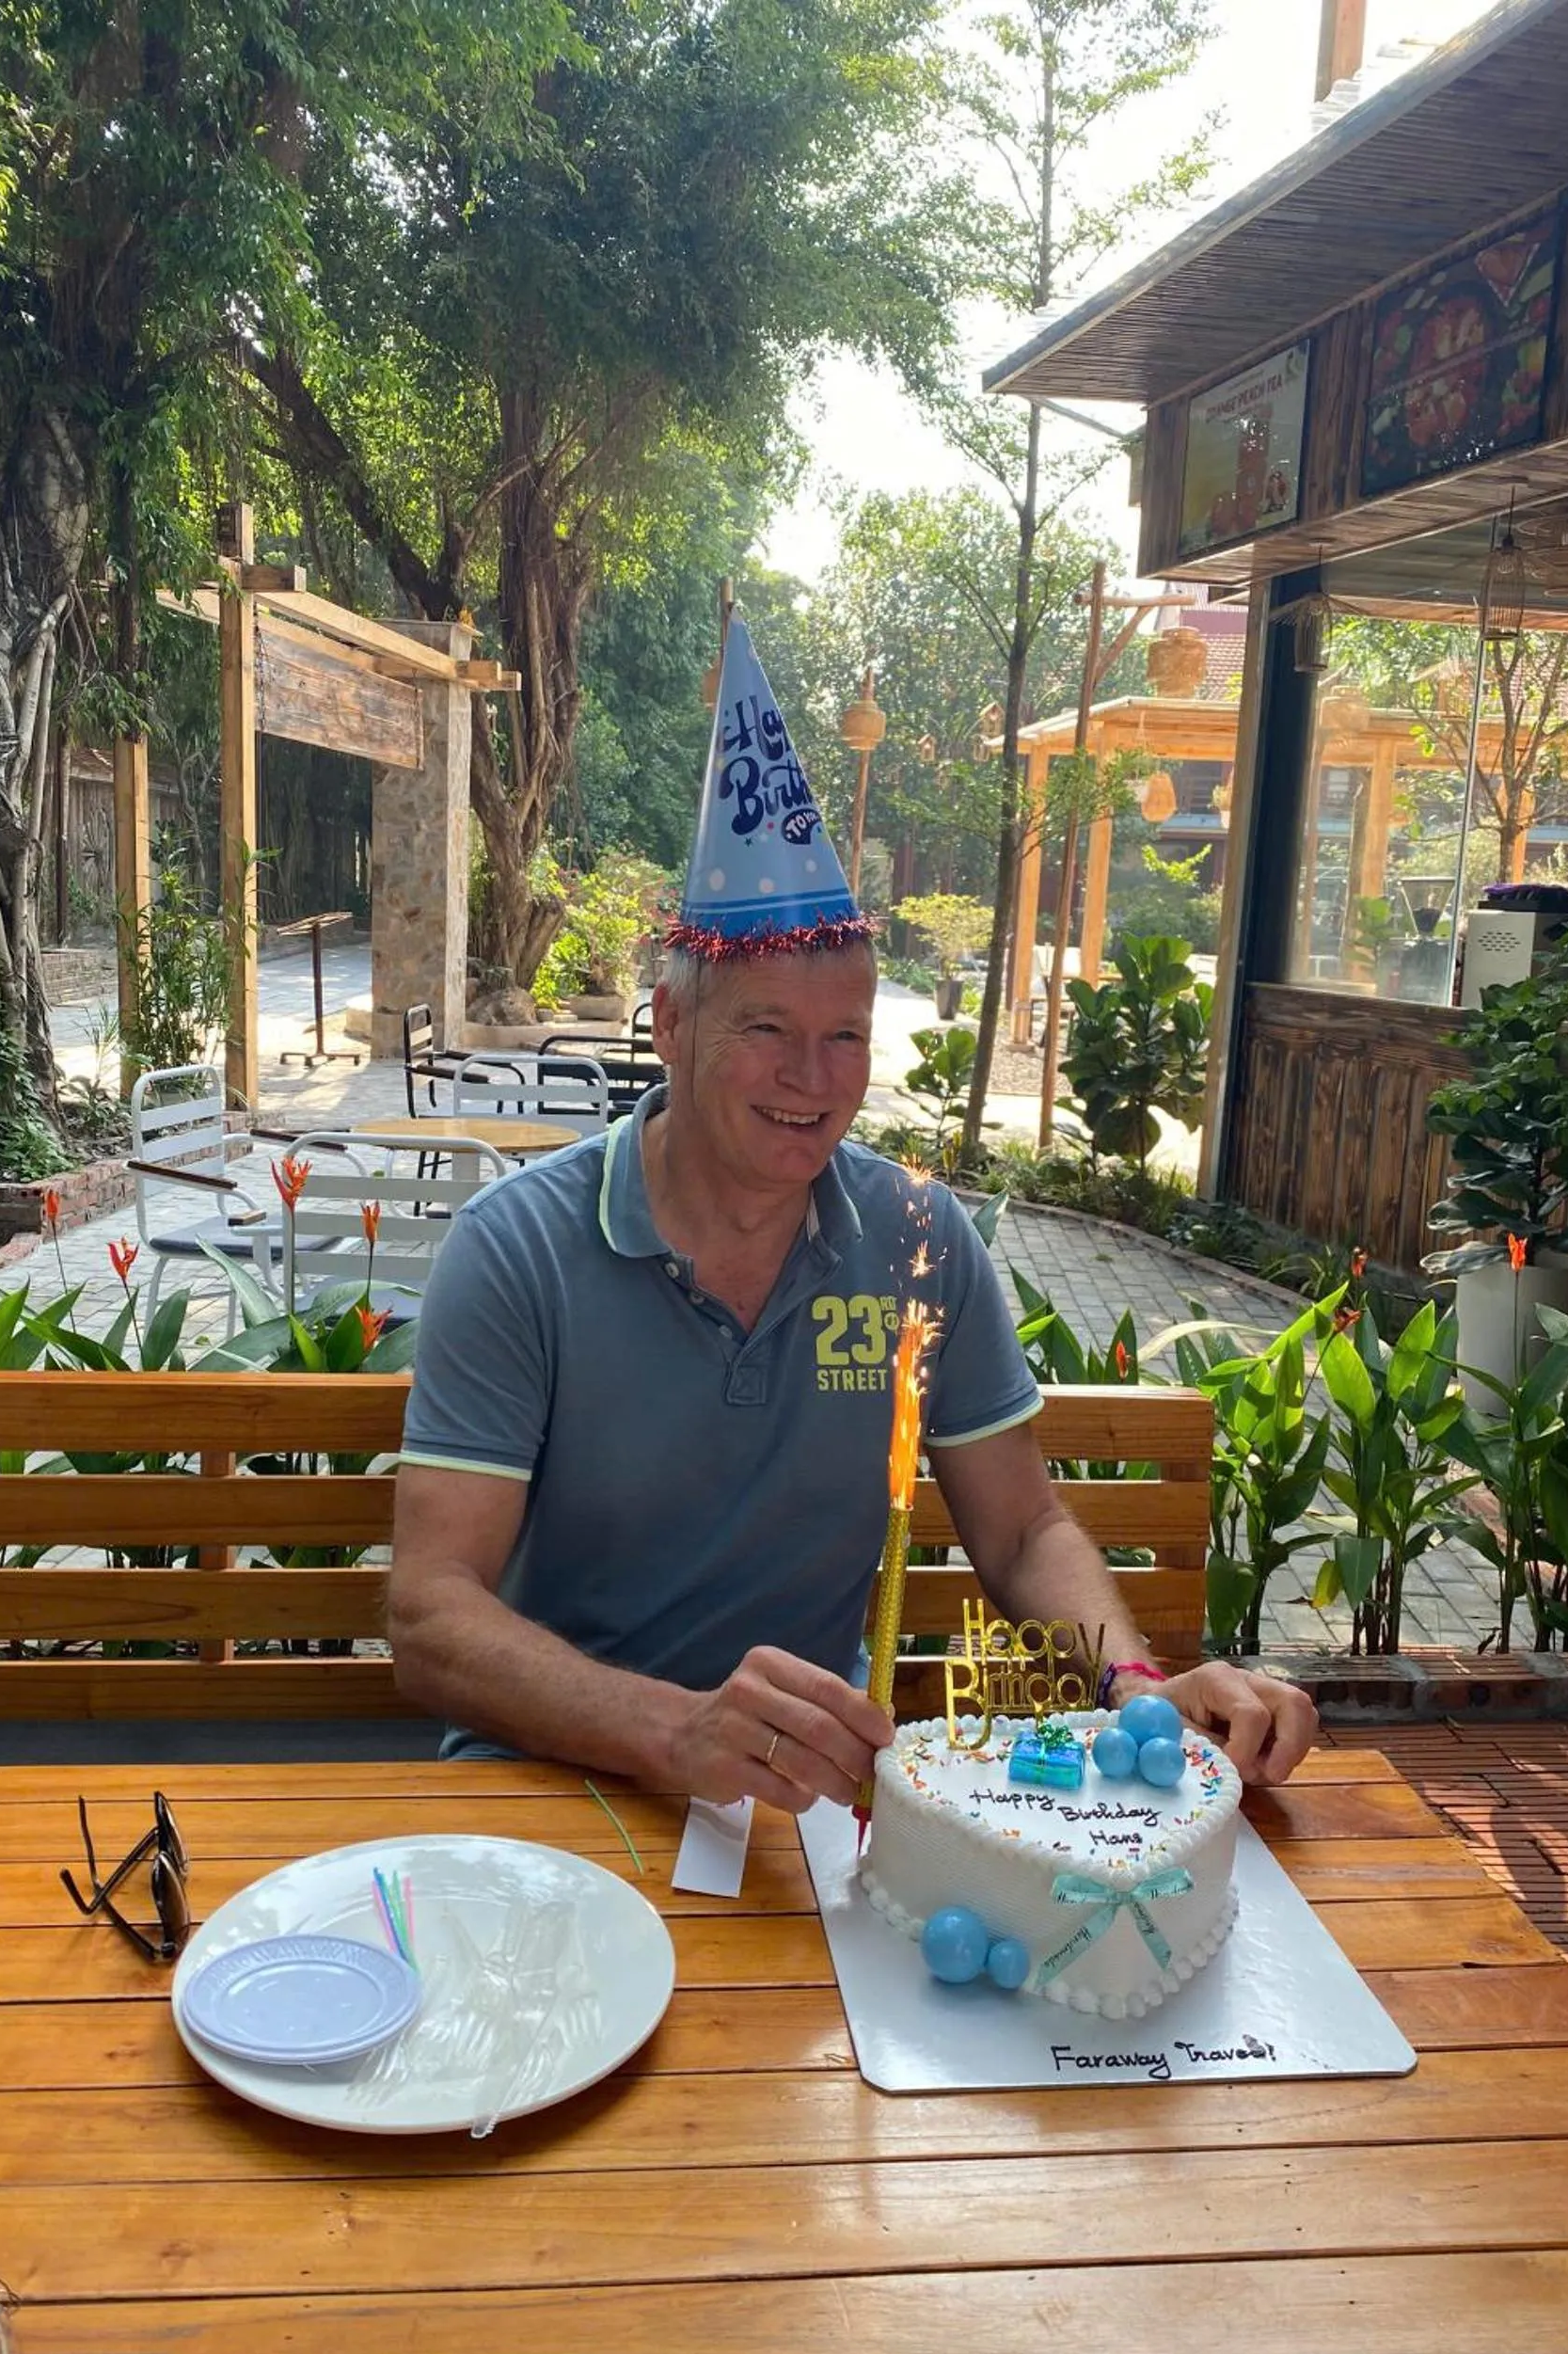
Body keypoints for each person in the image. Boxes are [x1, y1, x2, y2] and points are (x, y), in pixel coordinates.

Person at [387, 616, 1319, 1808]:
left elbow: (1026, 1529)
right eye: (766, 1030)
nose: (812, 1080)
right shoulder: (519, 1249)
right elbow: (430, 1613)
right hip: (541, 1791)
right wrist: (673, 1732)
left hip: (799, 1802)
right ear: (671, 1028)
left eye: (845, 1040)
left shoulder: (920, 1242)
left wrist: (1137, 1685)